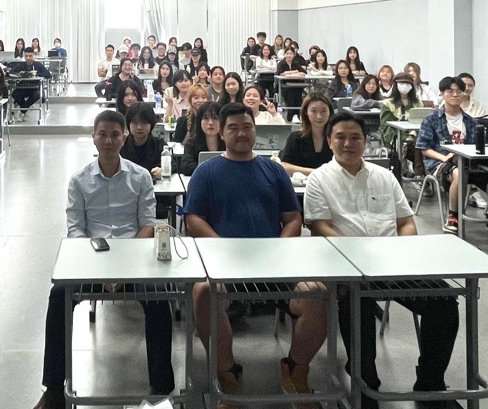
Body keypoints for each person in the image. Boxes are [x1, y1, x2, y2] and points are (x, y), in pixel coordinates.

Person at [304, 110, 459, 400]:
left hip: (392, 264)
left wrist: (402, 251)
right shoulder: (318, 180)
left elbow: (405, 222)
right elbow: (321, 227)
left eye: (355, 138)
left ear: (365, 142)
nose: (348, 143)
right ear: (329, 141)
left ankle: (430, 383)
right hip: (346, 267)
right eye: (341, 137)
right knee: (357, 305)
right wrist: (358, 255)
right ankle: (366, 385)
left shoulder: (384, 176)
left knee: (444, 301)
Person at [184, 102, 328, 407]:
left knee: (319, 294)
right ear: (222, 133)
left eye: (247, 127)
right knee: (203, 293)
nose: (241, 133)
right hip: (222, 265)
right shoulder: (205, 172)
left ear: (255, 131)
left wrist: (276, 247)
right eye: (233, 128)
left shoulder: (273, 169)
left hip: (275, 265)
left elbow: (293, 218)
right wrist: (223, 246)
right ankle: (227, 375)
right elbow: (193, 219)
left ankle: (295, 368)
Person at [33, 110, 172, 409]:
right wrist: (101, 269)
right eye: (102, 134)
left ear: (124, 137)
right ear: (94, 137)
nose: (108, 140)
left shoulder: (141, 176)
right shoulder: (79, 180)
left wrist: (125, 269)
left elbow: (147, 224)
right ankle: (54, 389)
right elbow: (76, 230)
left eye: (114, 134)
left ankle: (162, 388)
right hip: (91, 260)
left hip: (133, 262)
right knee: (59, 297)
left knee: (160, 298)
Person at [415, 77, 479, 234]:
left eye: (459, 91)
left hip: (465, 161)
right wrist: (443, 158)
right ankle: (453, 216)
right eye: (450, 91)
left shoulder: (470, 121)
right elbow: (424, 148)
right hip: (439, 162)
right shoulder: (431, 119)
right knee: (458, 173)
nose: (455, 95)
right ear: (442, 94)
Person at [277, 94, 334, 176]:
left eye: (323, 111)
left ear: (330, 112)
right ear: (306, 112)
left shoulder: (337, 138)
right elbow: (285, 165)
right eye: (313, 111)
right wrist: (316, 172)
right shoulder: (295, 137)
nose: (319, 116)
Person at [378, 72, 423, 175]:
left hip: (415, 137)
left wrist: (413, 136)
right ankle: (414, 174)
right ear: (395, 85)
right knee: (415, 148)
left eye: (407, 84)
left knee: (422, 146)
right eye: (401, 84)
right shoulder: (388, 103)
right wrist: (396, 139)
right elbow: (386, 126)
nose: (404, 87)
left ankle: (421, 175)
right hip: (394, 137)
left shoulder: (418, 104)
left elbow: (422, 124)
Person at [121, 102, 166, 180]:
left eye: (144, 122)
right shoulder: (121, 145)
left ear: (151, 124)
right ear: (128, 124)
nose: (139, 127)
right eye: (135, 122)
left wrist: (162, 170)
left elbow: (173, 164)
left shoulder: (159, 144)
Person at [177, 102, 223, 177]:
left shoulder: (228, 143)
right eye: (206, 118)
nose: (210, 123)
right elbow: (186, 166)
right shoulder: (191, 143)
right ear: (199, 121)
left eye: (215, 118)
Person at [7, 47, 52, 120]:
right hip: (22, 88)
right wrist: (19, 74)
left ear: (33, 55)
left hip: (34, 88)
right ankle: (24, 110)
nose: (28, 58)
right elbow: (11, 73)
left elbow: (48, 74)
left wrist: (37, 74)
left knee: (37, 95)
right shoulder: (20, 65)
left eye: (30, 56)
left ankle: (22, 110)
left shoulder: (38, 65)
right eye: (26, 56)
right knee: (15, 94)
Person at [276, 47, 308, 121]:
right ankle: (291, 117)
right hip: (285, 86)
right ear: (284, 54)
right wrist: (293, 72)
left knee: (298, 96)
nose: (289, 55)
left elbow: (303, 72)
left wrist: (296, 72)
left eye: (291, 53)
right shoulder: (281, 64)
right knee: (291, 95)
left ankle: (298, 116)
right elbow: (280, 73)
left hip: (296, 85)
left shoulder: (295, 63)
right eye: (287, 53)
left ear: (294, 55)